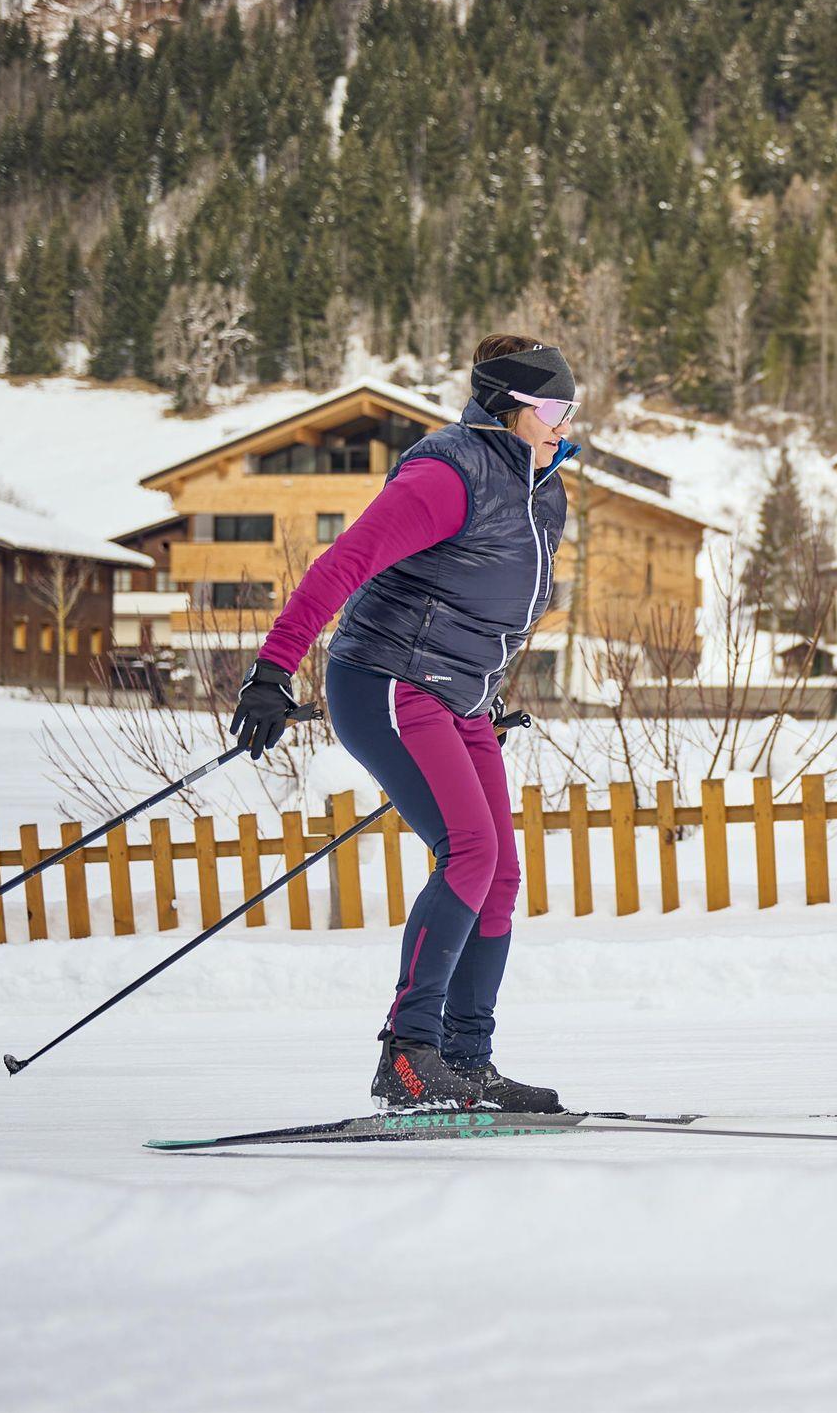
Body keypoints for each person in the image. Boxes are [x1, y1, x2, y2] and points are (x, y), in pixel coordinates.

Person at [229, 334, 582, 1110]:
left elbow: (482, 604)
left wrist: (485, 689)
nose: (566, 422)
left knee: (500, 874)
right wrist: (273, 669)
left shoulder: (542, 489)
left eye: (571, 406)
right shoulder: (447, 473)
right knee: (470, 851)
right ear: (509, 407)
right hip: (388, 681)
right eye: (553, 406)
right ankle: (408, 1057)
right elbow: (343, 564)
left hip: (460, 696)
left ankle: (467, 1060)